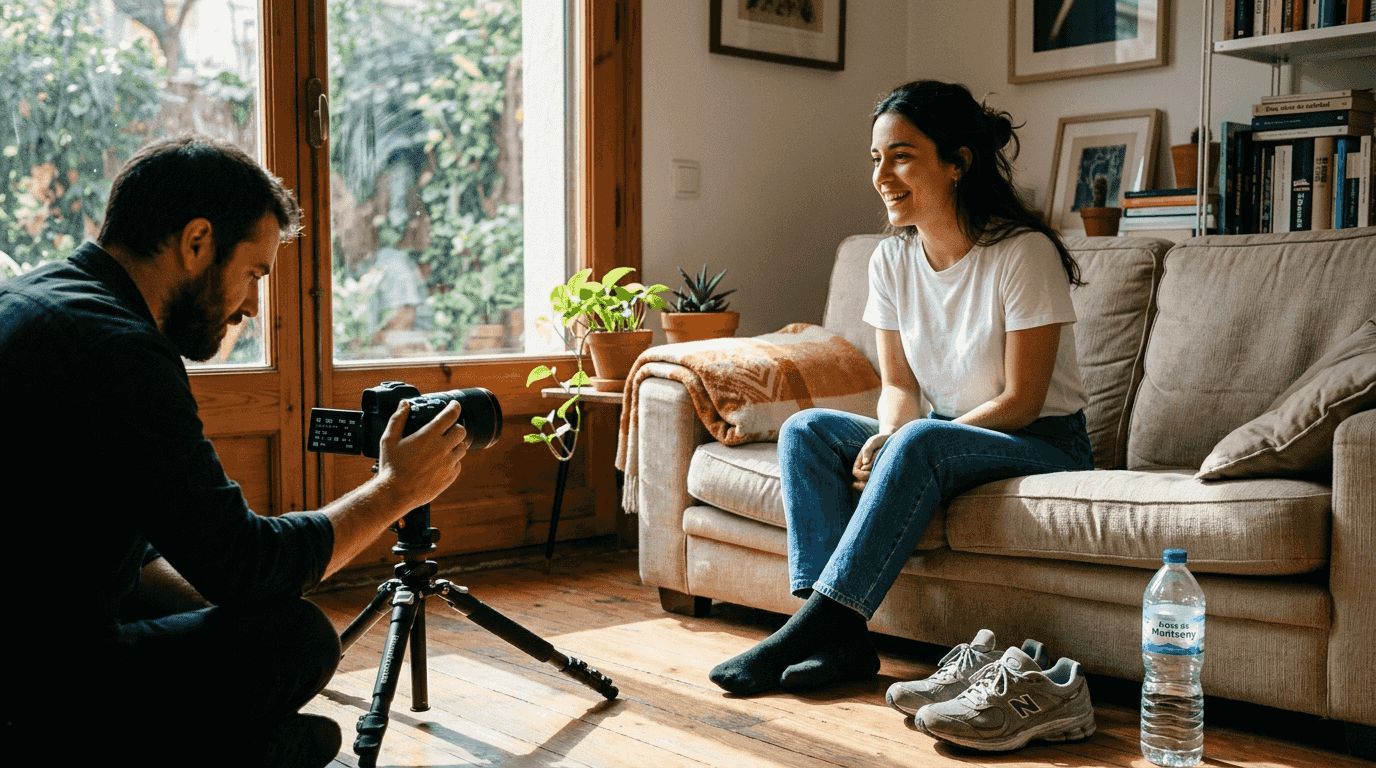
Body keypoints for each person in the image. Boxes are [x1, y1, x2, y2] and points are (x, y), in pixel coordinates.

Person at [0, 136, 469, 766]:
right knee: (299, 643)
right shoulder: (122, 352)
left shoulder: (32, 301)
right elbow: (244, 562)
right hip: (39, 688)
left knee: (269, 653)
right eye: (254, 272)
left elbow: (123, 543)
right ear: (197, 243)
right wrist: (396, 490)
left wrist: (233, 610)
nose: (251, 305)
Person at [708, 81, 1095, 697]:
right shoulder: (888, 261)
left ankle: (806, 631)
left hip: (1043, 442)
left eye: (903, 156)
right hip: (945, 434)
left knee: (918, 440)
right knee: (807, 430)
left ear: (958, 162)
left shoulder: (1023, 254)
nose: (882, 175)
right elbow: (898, 384)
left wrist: (909, 439)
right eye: (876, 159)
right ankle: (844, 647)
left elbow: (1023, 399)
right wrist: (889, 434)